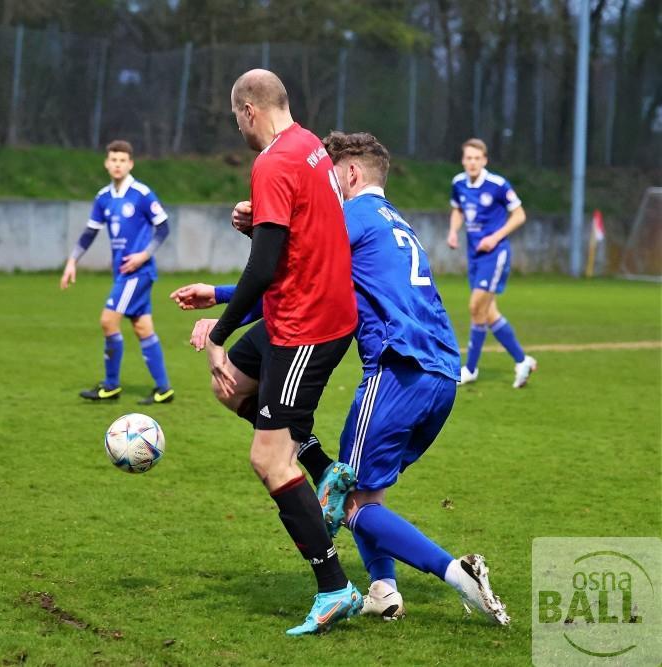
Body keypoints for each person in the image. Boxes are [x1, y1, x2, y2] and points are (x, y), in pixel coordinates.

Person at [173, 132, 510, 626]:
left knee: (350, 501)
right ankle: (384, 589)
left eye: (330, 175)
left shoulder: (347, 216)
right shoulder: (396, 222)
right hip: (441, 374)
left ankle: (458, 573)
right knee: (367, 492)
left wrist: (222, 296)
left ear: (349, 174)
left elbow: (297, 279)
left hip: (398, 369)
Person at [201, 69, 362, 636]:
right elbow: (297, 236)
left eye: (234, 117)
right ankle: (326, 470)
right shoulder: (310, 145)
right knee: (235, 388)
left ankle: (335, 586)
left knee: (268, 460)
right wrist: (259, 226)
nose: (237, 126)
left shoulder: (271, 162)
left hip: (305, 327)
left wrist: (217, 333)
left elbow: (265, 267)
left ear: (248, 109)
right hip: (310, 311)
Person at [60, 140, 175, 405]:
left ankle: (111, 385)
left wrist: (143, 255)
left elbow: (164, 227)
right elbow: (90, 233)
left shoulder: (142, 194)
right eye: (113, 159)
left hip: (138, 272)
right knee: (143, 327)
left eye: (122, 160)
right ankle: (163, 389)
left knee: (108, 321)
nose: (117, 164)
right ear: (106, 163)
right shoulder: (104, 198)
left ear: (130, 164)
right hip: (122, 273)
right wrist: (72, 261)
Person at [447, 138, 537, 388]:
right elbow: (458, 210)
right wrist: (453, 231)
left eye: (477, 158)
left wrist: (495, 237)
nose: (472, 162)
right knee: (488, 313)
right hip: (474, 254)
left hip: (495, 254)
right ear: (463, 160)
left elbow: (519, 215)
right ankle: (523, 360)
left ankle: (471, 369)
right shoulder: (458, 183)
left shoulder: (497, 185)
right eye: (468, 158)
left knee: (476, 307)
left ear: (484, 160)